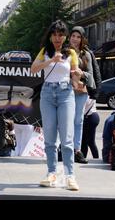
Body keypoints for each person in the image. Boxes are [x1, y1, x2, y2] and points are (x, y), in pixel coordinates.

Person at [31, 20, 80, 191]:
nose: (58, 38)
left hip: (65, 92)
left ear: (65, 36)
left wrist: (78, 75)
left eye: (61, 35)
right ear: (50, 36)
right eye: (55, 34)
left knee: (67, 137)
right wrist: (51, 60)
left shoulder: (71, 53)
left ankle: (69, 175)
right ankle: (52, 173)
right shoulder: (45, 51)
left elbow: (75, 76)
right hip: (47, 93)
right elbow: (33, 69)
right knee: (50, 137)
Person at [69, 26, 95, 164]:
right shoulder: (63, 51)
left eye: (78, 37)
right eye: (73, 36)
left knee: (78, 121)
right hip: (65, 90)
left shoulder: (86, 54)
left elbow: (90, 76)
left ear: (82, 39)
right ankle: (64, 148)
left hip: (80, 91)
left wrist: (80, 73)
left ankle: (77, 150)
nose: (75, 39)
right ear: (69, 37)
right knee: (64, 120)